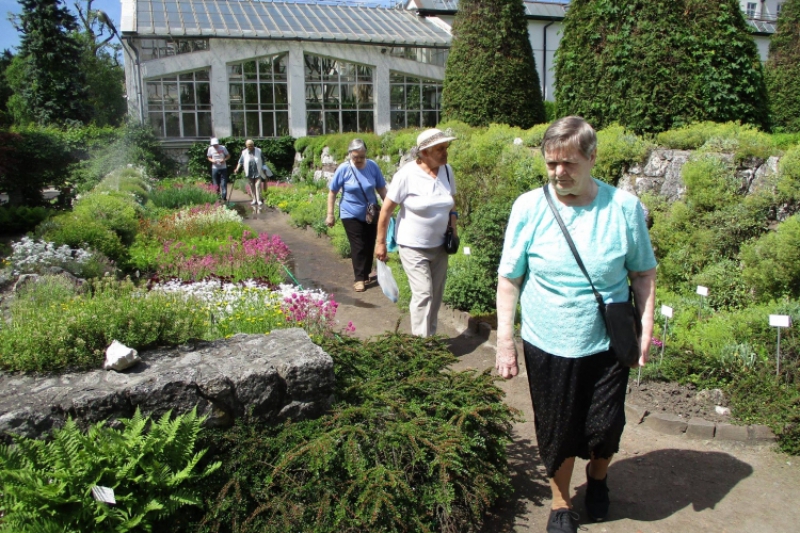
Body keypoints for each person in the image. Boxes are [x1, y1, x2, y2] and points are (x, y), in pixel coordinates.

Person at [494, 116, 657, 533]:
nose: (558, 173)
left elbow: (642, 274)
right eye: (551, 164)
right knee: (557, 429)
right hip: (547, 340)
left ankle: (598, 479)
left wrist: (647, 327)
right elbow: (510, 279)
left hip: (606, 341)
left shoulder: (623, 208)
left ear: (592, 157)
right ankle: (561, 502)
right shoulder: (528, 207)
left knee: (604, 425)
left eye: (568, 164)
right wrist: (505, 342)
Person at [375, 128, 458, 336]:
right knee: (423, 294)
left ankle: (429, 339)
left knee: (436, 295)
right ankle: (420, 347)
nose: (445, 152)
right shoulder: (406, 175)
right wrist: (381, 242)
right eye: (440, 149)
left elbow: (452, 204)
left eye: (446, 147)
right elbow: (386, 210)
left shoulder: (447, 171)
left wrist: (453, 231)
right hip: (413, 247)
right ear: (424, 152)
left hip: (439, 246)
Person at [326, 138, 388, 292]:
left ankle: (366, 273)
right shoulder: (344, 169)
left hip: (370, 213)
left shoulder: (372, 166)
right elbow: (332, 192)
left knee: (369, 243)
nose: (359, 160)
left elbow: (381, 189)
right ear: (350, 155)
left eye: (361, 156)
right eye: (355, 157)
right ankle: (359, 278)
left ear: (365, 154)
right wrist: (330, 214)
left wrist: (389, 208)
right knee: (358, 244)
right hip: (350, 212)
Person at [234, 139, 268, 206]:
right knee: (252, 186)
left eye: (252, 145)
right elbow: (240, 162)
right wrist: (237, 169)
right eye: (249, 146)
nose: (251, 147)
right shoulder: (244, 152)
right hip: (249, 172)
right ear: (246, 146)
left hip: (258, 171)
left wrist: (264, 168)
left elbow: (263, 160)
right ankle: (254, 199)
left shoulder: (259, 150)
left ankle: (259, 200)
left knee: (257, 185)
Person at [207, 137, 230, 202]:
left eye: (216, 144)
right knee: (215, 183)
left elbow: (228, 156)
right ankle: (217, 198)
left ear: (218, 143)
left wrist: (224, 160)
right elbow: (209, 157)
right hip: (215, 168)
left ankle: (224, 197)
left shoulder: (223, 147)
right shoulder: (210, 149)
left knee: (223, 183)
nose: (215, 146)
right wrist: (212, 160)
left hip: (223, 167)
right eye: (213, 145)